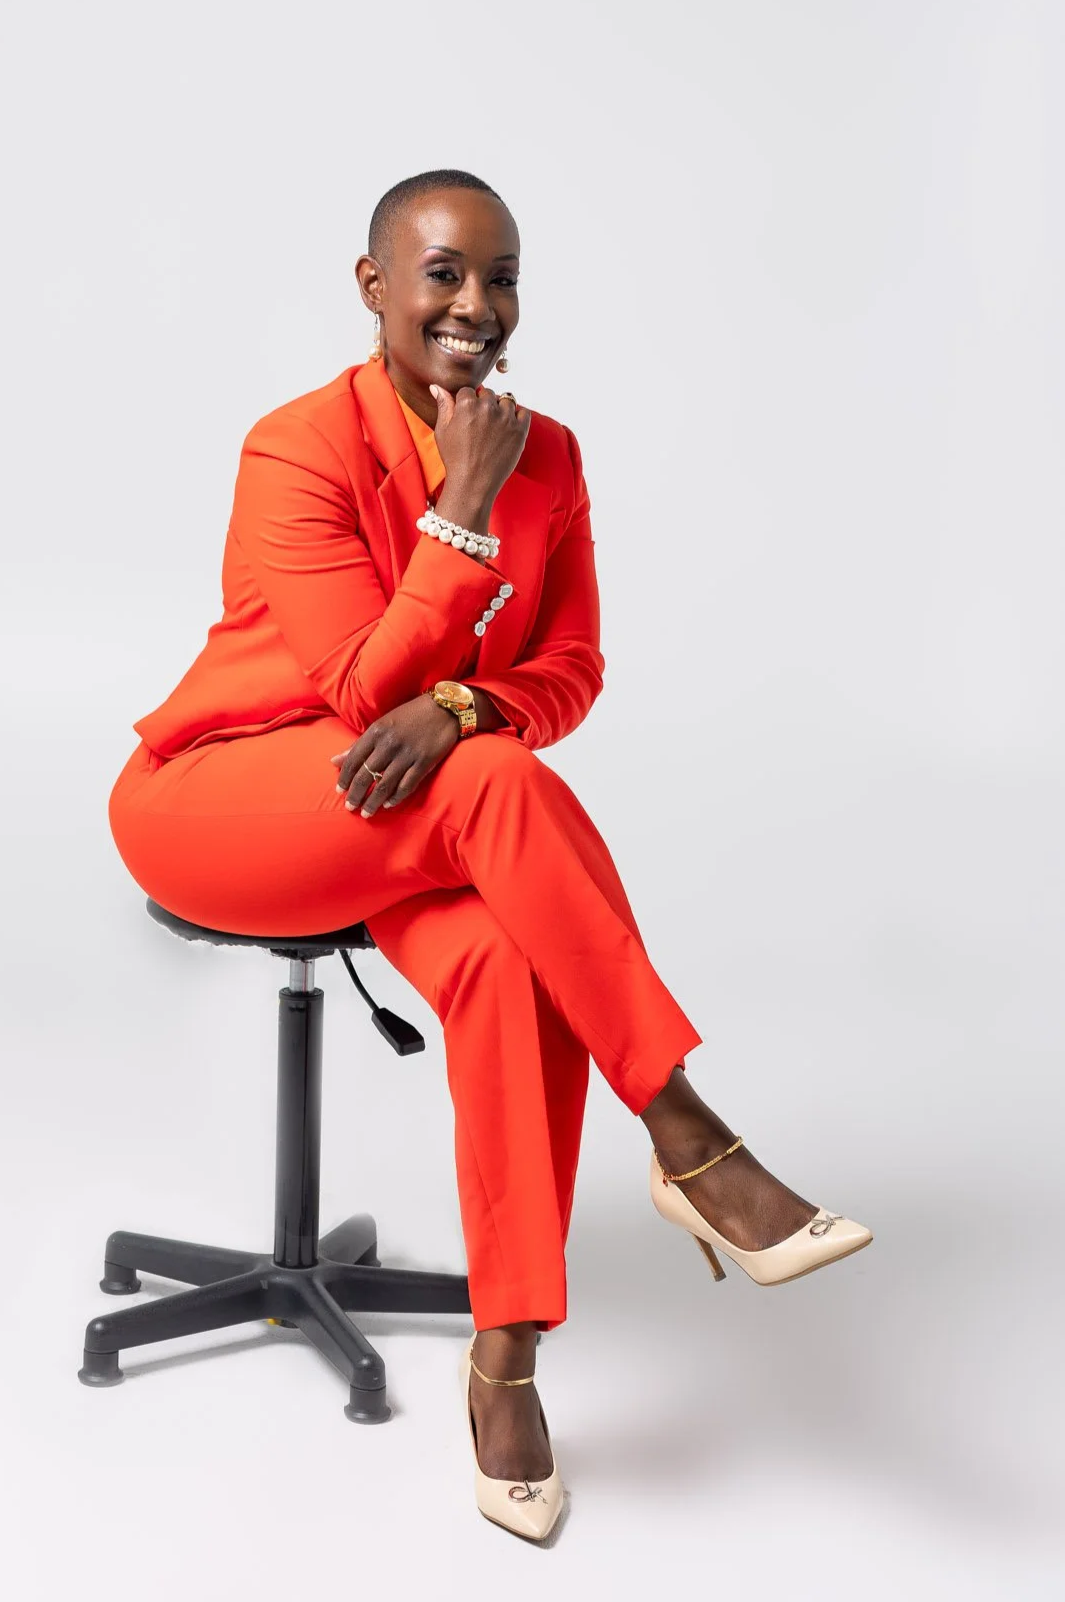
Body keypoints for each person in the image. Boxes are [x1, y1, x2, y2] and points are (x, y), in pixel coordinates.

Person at [106, 168, 872, 1543]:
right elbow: (354, 688)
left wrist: (464, 702)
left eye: (501, 277)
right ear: (375, 287)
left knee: (512, 951)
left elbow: (569, 670)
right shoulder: (297, 445)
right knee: (495, 783)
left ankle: (504, 1361)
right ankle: (689, 1132)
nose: (476, 303)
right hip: (226, 798)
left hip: (423, 809)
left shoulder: (554, 455)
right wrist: (460, 513)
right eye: (445, 273)